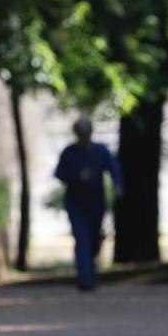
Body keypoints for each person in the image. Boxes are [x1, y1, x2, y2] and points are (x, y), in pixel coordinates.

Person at [54, 117, 123, 291]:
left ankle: (88, 270)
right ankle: (86, 280)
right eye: (81, 133)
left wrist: (117, 185)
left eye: (86, 132)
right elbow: (59, 174)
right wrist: (77, 176)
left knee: (93, 239)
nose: (84, 136)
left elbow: (114, 168)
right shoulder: (69, 152)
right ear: (76, 134)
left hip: (96, 202)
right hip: (75, 204)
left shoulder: (101, 151)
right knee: (82, 238)